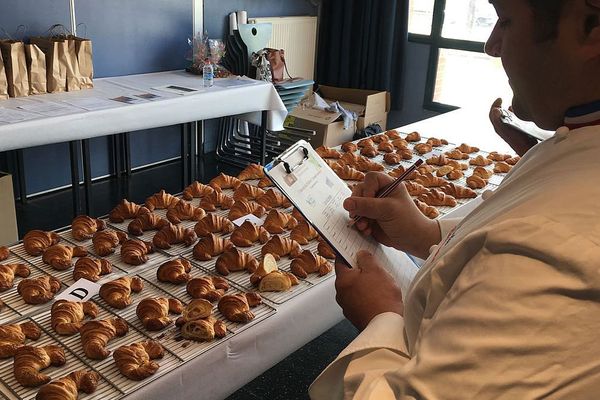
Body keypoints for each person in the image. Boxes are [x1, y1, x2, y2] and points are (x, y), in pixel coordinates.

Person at [309, 0, 600, 398]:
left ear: (591, 27)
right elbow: (507, 225)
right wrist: (425, 232)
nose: (492, 46)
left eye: (506, 22)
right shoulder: (582, 138)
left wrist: (382, 318)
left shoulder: (553, 251)